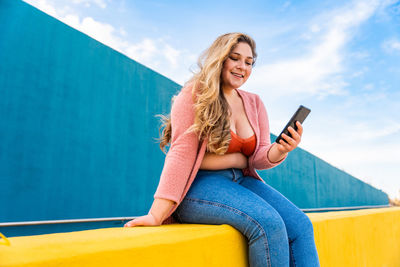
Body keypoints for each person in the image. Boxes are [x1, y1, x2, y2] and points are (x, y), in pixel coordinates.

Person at [124, 32, 320, 267]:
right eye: (235, 58)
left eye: (249, 62)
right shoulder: (195, 94)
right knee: (268, 223)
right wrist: (156, 214)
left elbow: (258, 157)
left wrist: (281, 150)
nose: (242, 67)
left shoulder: (254, 102)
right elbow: (182, 153)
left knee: (300, 225)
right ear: (221, 58)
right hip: (200, 186)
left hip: (242, 182)